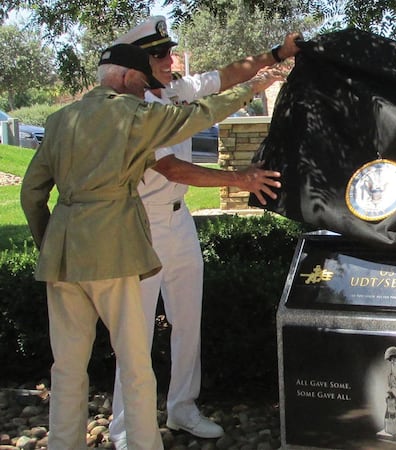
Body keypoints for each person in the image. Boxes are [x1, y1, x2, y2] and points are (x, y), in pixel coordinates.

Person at [19, 43, 273, 450]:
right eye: (141, 82)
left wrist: (50, 243)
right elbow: (200, 115)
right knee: (136, 363)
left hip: (63, 256)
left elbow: (31, 194)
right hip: (116, 251)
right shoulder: (132, 115)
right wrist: (252, 88)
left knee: (66, 368)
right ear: (125, 77)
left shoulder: (61, 119)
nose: (145, 90)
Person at [106, 16, 302, 444]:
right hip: (141, 223)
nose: (169, 60)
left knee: (187, 321)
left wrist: (278, 54)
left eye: (168, 51)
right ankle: (126, 426)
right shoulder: (133, 108)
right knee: (134, 331)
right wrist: (239, 179)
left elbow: (224, 76)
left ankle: (182, 407)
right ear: (137, 63)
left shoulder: (174, 90)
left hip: (179, 221)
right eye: (159, 55)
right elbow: (171, 168)